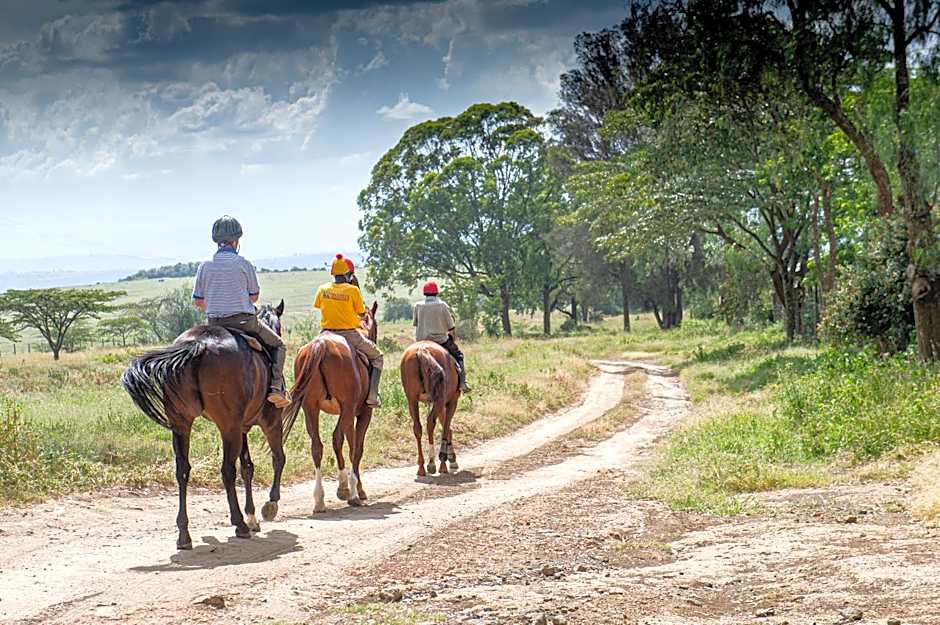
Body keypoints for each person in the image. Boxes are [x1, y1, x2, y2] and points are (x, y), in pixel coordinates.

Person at [192, 215, 291, 409]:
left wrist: (216, 305)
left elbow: (198, 301)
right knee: (279, 345)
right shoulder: (244, 263)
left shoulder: (204, 265)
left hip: (214, 324)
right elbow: (254, 297)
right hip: (244, 322)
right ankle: (276, 388)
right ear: (236, 241)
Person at [314, 254, 384, 407]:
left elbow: (318, 305)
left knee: (305, 353)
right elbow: (361, 312)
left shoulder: (322, 289)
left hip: (325, 332)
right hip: (349, 334)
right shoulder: (353, 290)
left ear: (333, 274)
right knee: (378, 357)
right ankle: (372, 396)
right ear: (349, 274)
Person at [414, 281, 471, 393]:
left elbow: (416, 323)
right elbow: (451, 326)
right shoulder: (442, 305)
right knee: (459, 355)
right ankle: (463, 382)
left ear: (424, 293)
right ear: (436, 292)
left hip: (421, 341)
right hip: (440, 341)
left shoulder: (418, 306)